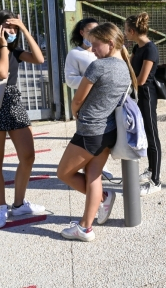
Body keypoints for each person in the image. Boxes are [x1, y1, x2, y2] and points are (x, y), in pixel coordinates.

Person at [56, 23, 137, 241]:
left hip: (90, 130)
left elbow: (78, 99)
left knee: (63, 173)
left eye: (96, 44)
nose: (92, 49)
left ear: (110, 43)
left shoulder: (98, 66)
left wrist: (75, 112)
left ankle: (102, 200)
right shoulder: (125, 68)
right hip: (108, 131)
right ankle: (85, 226)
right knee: (92, 177)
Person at [0, 10, 46, 229]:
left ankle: (19, 203)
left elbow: (39, 59)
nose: (11, 31)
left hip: (13, 103)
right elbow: (2, 73)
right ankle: (1, 207)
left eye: (14, 28)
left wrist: (23, 29)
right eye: (8, 27)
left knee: (28, 155)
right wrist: (2, 45)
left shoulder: (14, 49)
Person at [64, 17, 114, 180]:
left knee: (104, 134)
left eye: (97, 30)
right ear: (82, 32)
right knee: (88, 137)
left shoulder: (103, 49)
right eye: (90, 30)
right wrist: (90, 82)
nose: (94, 34)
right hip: (86, 102)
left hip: (105, 101)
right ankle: (88, 167)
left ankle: (100, 167)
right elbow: (70, 79)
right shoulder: (75, 54)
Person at [125, 12, 162, 196]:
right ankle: (150, 169)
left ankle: (156, 181)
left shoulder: (150, 49)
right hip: (137, 97)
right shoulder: (136, 48)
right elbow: (129, 69)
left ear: (132, 31)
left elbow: (140, 80)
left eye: (125, 30)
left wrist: (130, 78)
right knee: (145, 135)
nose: (125, 33)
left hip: (147, 96)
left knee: (152, 135)